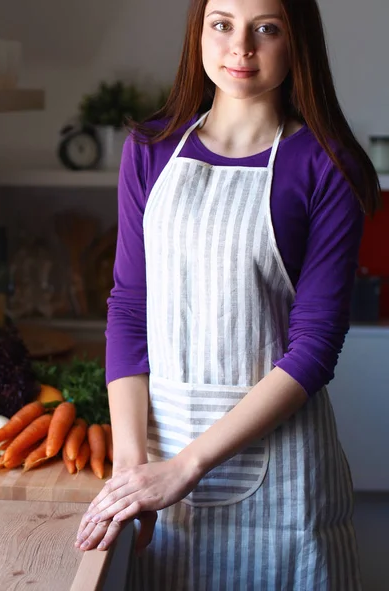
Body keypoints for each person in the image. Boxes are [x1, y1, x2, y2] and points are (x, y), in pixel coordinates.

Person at [74, 0, 381, 589]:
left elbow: (314, 347)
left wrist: (187, 467)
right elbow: (129, 309)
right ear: (199, 31)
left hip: (286, 486)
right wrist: (132, 467)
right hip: (161, 477)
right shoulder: (150, 149)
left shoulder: (327, 166)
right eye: (223, 23)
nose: (240, 47)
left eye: (266, 28)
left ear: (297, 44)